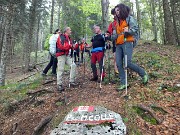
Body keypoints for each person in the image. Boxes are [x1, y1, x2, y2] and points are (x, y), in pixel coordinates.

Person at [114, 3, 148, 91]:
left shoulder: (129, 18)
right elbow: (115, 34)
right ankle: (124, 83)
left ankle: (143, 73)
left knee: (127, 63)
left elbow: (135, 28)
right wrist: (108, 37)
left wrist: (128, 31)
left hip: (127, 42)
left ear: (122, 10)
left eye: (118, 10)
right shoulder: (117, 22)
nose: (116, 12)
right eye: (116, 11)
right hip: (118, 44)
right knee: (118, 63)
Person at [56, 27, 78, 92]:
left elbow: (70, 46)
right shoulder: (61, 37)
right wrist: (71, 46)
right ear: (66, 31)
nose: (71, 31)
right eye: (70, 30)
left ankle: (72, 81)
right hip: (61, 55)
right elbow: (62, 46)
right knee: (61, 69)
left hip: (67, 55)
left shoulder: (69, 38)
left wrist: (74, 46)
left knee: (73, 65)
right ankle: (59, 85)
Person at [107, 8, 119, 75]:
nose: (114, 15)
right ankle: (116, 69)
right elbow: (108, 32)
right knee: (115, 55)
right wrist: (108, 39)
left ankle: (122, 69)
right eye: (113, 14)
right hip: (115, 41)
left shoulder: (122, 21)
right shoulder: (112, 24)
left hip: (123, 40)